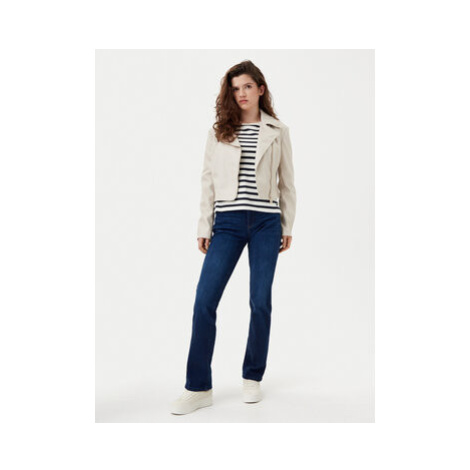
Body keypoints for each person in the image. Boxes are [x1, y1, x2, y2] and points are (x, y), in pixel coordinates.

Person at [170, 60, 296, 415]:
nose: (241, 93)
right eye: (235, 88)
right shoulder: (219, 132)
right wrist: (204, 225)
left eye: (247, 86)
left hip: (266, 223)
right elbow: (207, 181)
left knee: (260, 300)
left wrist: (286, 225)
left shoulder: (278, 131)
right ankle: (198, 387)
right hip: (226, 222)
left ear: (260, 89)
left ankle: (252, 376)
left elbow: (287, 182)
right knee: (204, 301)